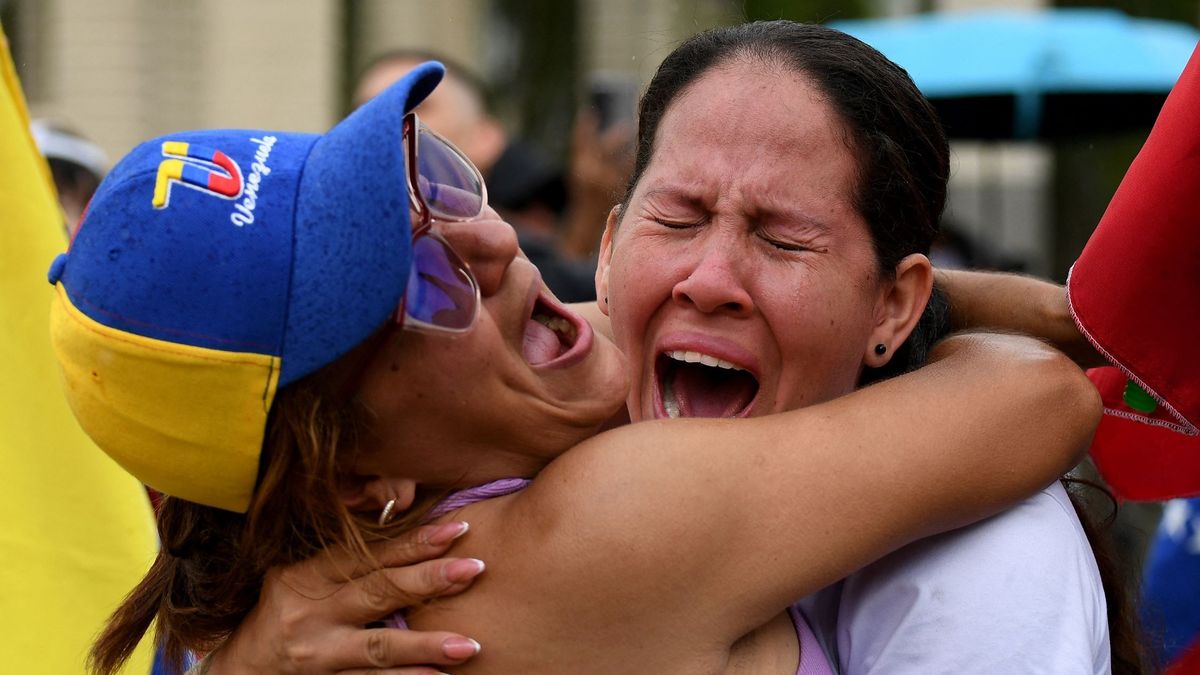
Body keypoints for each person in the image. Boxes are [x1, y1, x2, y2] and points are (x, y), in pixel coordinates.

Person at [58, 37, 1096, 675]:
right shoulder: (582, 533)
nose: (497, 242)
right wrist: (859, 298)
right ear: (362, 472)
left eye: (434, 191)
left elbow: (634, 310)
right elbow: (1039, 396)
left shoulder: (334, 571)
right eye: (418, 285)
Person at [355, 49, 597, 302]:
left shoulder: (515, 253)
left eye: (414, 106)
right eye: (365, 113)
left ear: (485, 138)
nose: (382, 123)